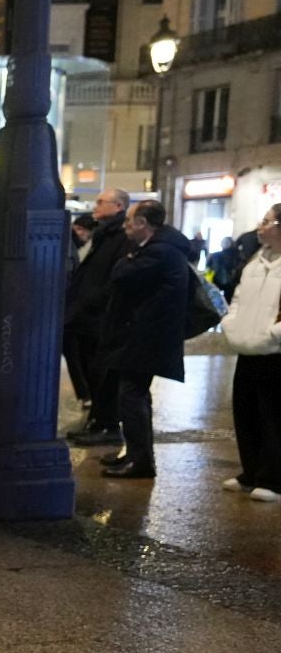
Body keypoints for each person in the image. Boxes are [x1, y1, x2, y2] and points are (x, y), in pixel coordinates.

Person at [96, 200, 190, 480]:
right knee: (133, 396)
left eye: (129, 220)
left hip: (145, 337)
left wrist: (128, 259)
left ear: (143, 224)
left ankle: (140, 461)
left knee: (132, 397)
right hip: (143, 336)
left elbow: (120, 275)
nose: (125, 226)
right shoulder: (157, 249)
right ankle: (137, 454)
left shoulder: (159, 252)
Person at [222, 205, 281, 502]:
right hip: (248, 347)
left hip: (275, 352)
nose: (260, 226)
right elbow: (238, 298)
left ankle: (273, 479)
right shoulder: (256, 261)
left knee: (273, 416)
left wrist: (274, 335)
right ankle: (251, 472)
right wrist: (231, 325)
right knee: (246, 412)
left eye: (267, 221)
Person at [65, 188, 130, 447]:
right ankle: (98, 421)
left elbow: (113, 277)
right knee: (93, 371)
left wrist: (91, 302)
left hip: (99, 317)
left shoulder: (119, 235)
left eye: (102, 202)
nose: (96, 205)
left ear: (118, 206)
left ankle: (107, 424)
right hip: (88, 316)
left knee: (101, 373)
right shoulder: (105, 233)